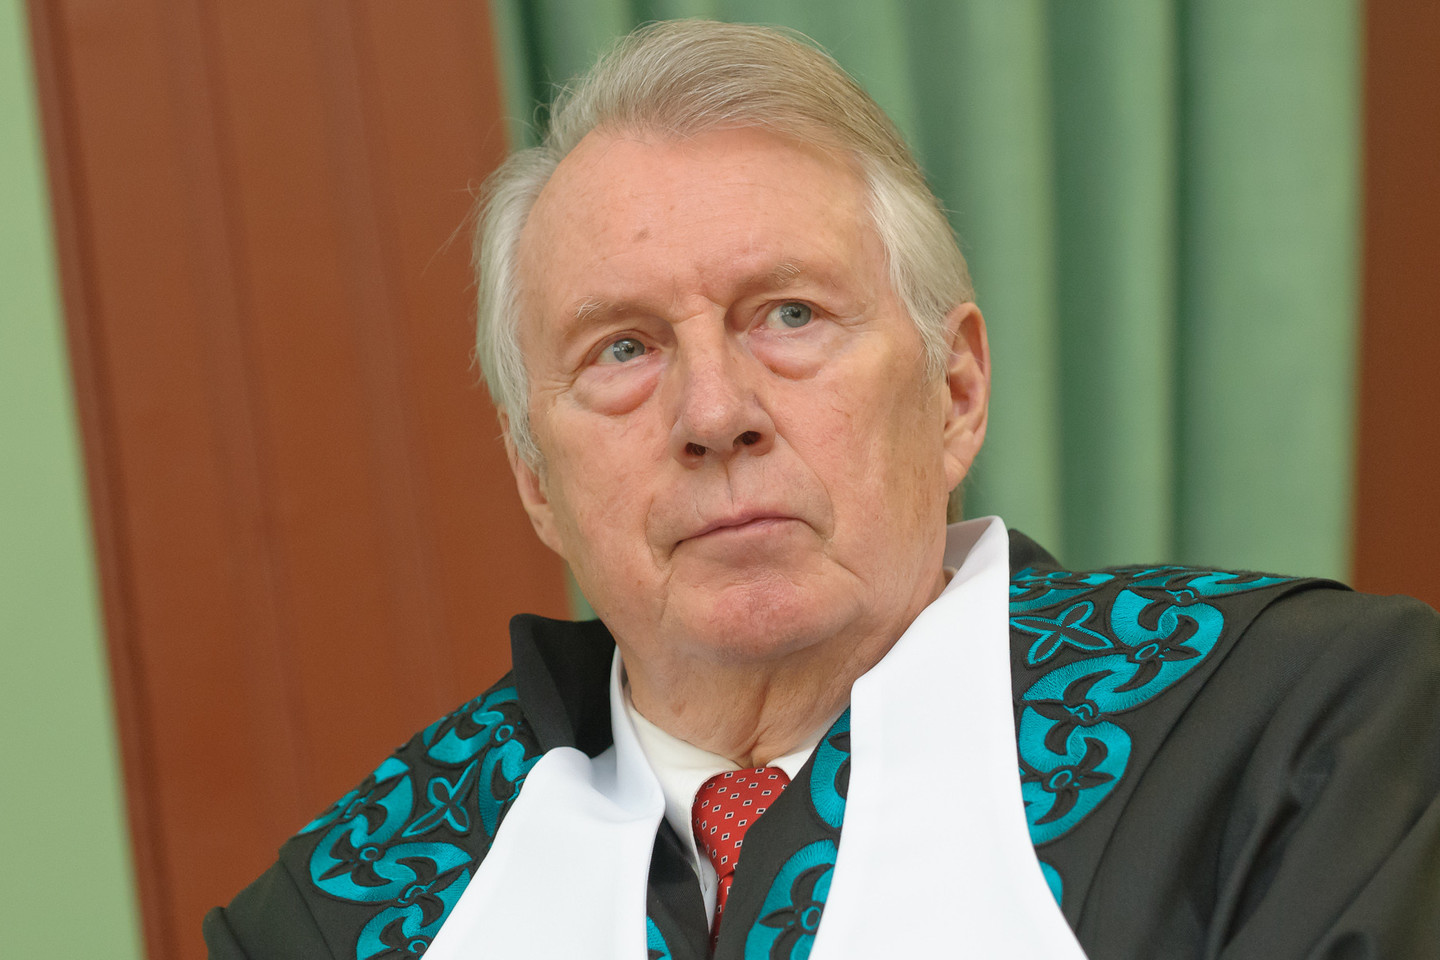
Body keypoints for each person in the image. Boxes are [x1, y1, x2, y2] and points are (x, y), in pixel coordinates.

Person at [205, 19, 1440, 960]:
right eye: (623, 350)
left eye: (789, 315)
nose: (715, 414)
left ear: (954, 390)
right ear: (536, 476)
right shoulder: (345, 916)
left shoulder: (1300, 738)